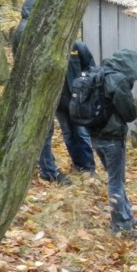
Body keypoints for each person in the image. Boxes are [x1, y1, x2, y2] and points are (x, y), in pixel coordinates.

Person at [11, 0, 72, 186]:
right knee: (44, 131)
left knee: (43, 130)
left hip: (31, 88)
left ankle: (42, 167)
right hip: (35, 89)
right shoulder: (30, 30)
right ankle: (49, 171)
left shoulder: (24, 28)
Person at [90, 49, 137, 238]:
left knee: (117, 180)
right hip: (112, 138)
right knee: (115, 182)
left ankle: (126, 217)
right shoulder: (118, 81)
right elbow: (130, 114)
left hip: (95, 136)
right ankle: (121, 225)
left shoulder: (97, 74)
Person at [57, 41, 97, 174]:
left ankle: (89, 167)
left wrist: (84, 89)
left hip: (78, 101)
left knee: (81, 133)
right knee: (68, 134)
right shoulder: (50, 46)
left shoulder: (78, 46)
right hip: (59, 102)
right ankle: (78, 164)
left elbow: (91, 69)